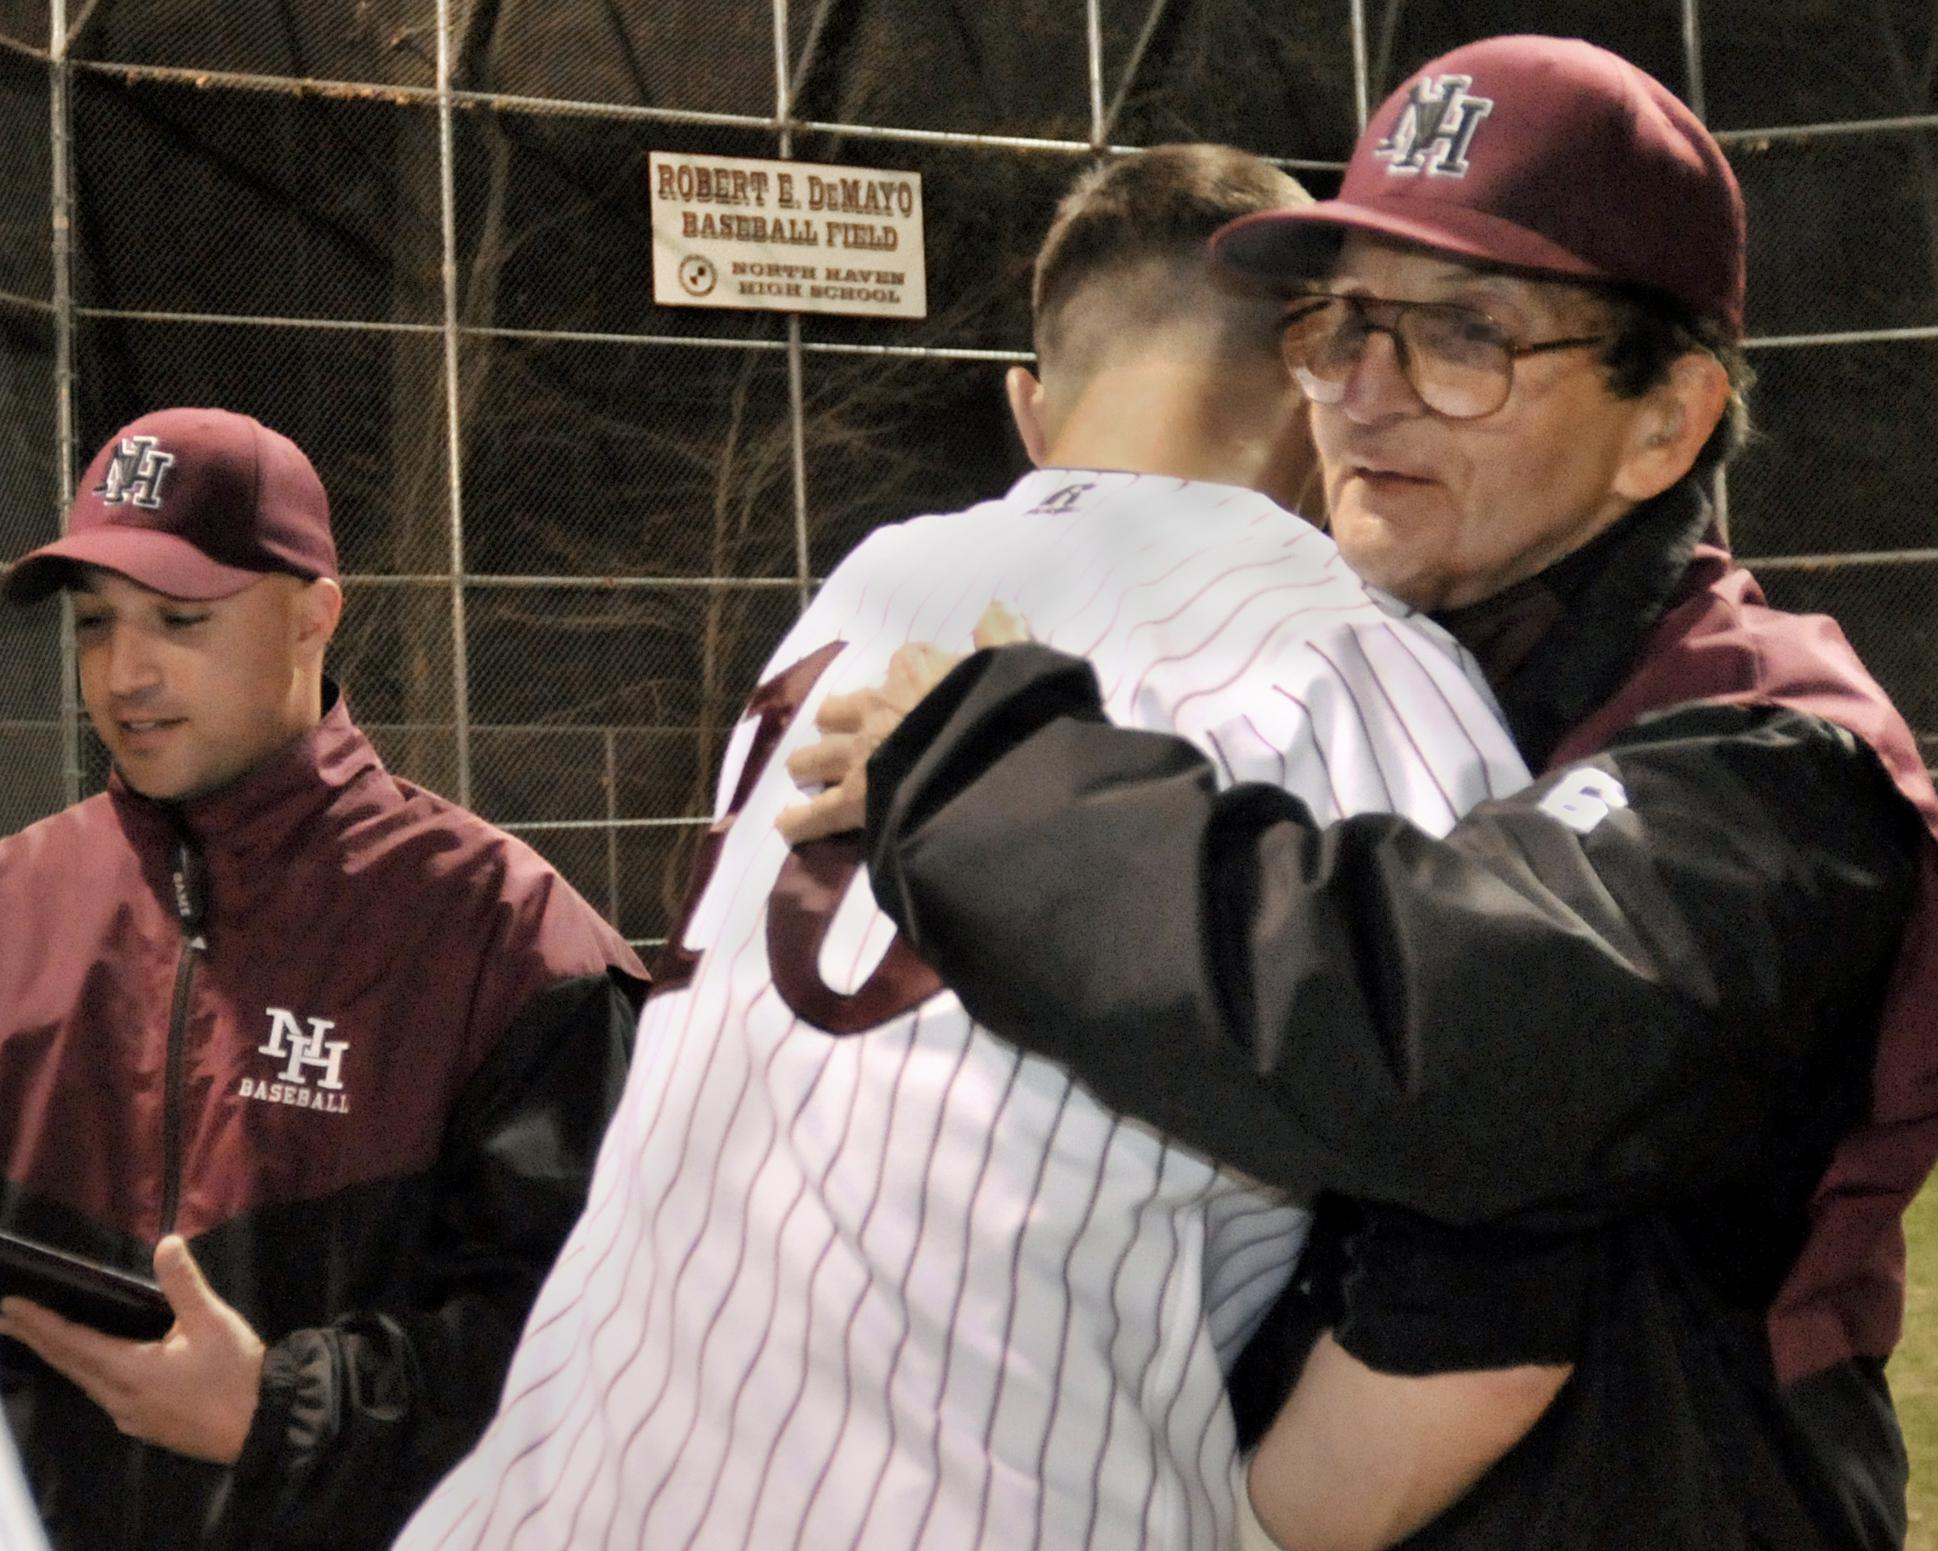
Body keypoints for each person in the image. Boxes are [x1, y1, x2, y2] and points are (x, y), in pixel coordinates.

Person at [839, 34, 1938, 1551]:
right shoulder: (1358, 675)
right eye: (1338, 321)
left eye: (1461, 336)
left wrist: (992, 784)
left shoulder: (1773, 757)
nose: (1357, 394)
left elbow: (1445, 1026)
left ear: (1665, 421)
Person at [393, 143, 1532, 1551]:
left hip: (560, 1480)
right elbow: (1521, 1211)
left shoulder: (874, 578)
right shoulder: (1344, 650)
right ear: (1319, 374)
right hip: (979, 1495)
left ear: (1027, 407)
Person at [0, 406, 648, 1551]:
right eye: (96, 623)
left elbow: (593, 1347)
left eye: (181, 619)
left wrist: (285, 1409)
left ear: (314, 616)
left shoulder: (507, 940)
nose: (125, 672)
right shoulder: (18, 901)